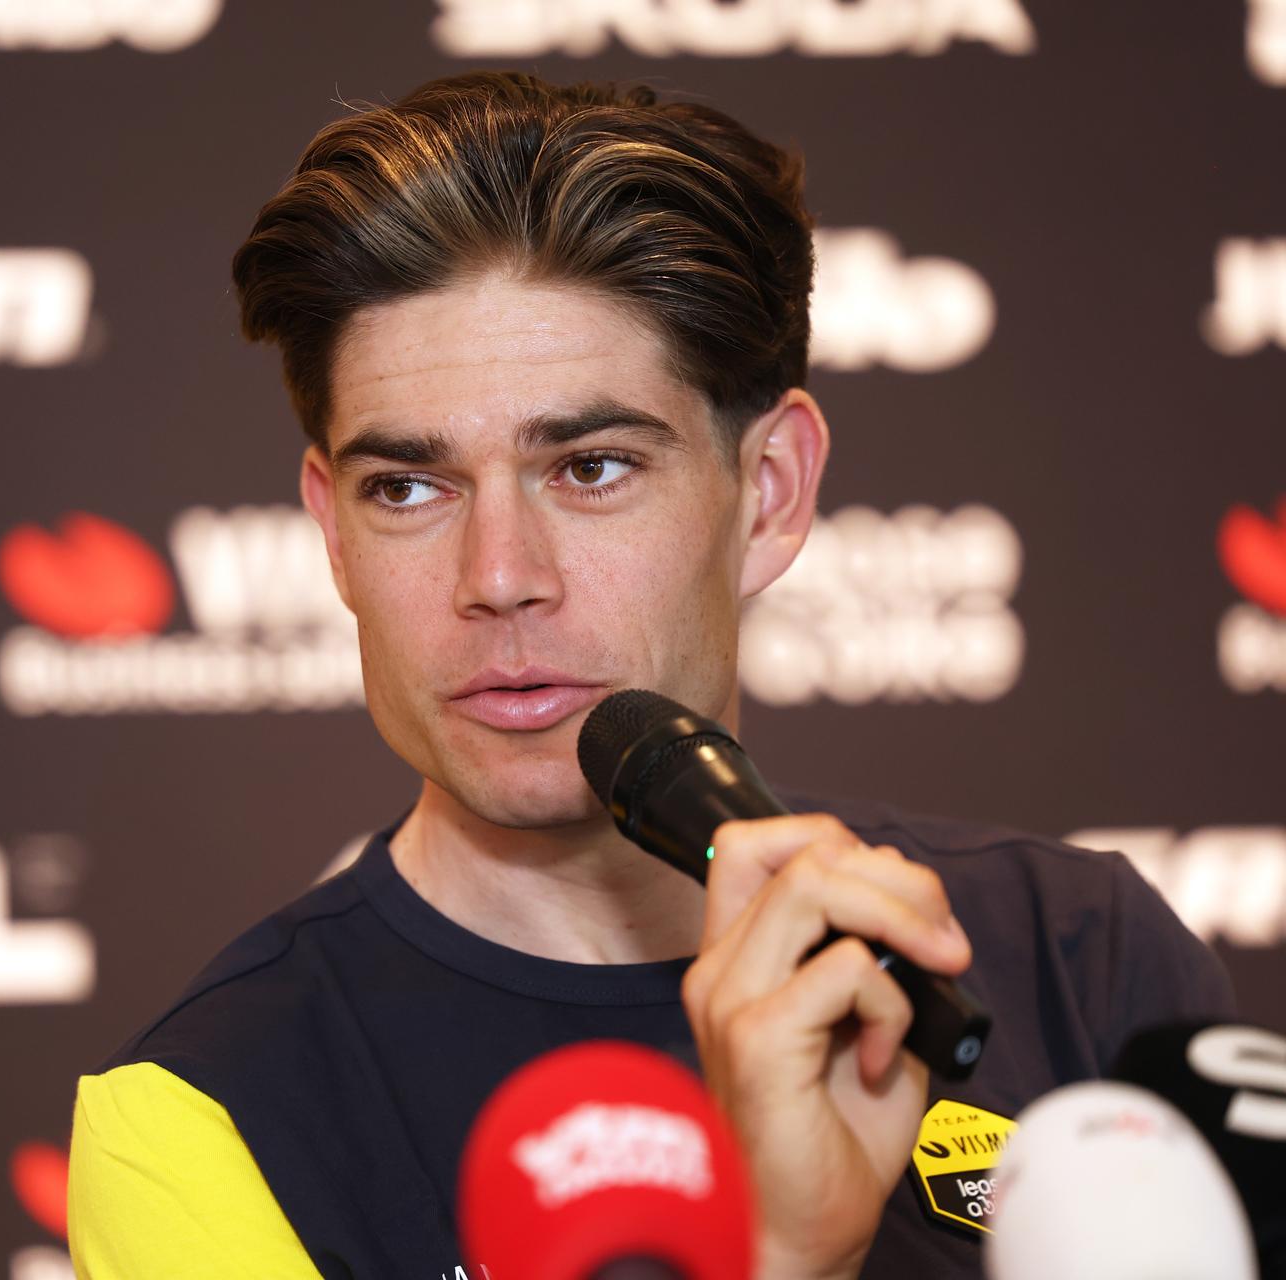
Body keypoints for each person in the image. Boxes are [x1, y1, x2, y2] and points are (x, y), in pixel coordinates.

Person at [65, 72, 1236, 1279]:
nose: (501, 575)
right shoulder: (203, 1115)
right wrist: (782, 1257)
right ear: (333, 530)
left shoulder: (1073, 953)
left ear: (770, 492)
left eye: (591, 467)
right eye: (409, 487)